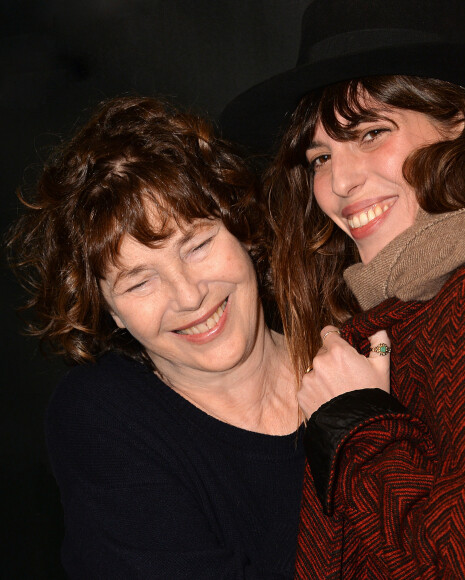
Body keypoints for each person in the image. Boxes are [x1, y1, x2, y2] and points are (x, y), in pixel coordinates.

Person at [220, 0, 465, 577]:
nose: (338, 182)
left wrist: (356, 422)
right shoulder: (406, 301)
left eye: (369, 133)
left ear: (458, 122)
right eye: (319, 157)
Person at [7, 96, 304, 579]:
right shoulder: (104, 420)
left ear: (242, 231)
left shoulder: (361, 347)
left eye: (199, 245)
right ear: (107, 309)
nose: (189, 297)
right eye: (139, 281)